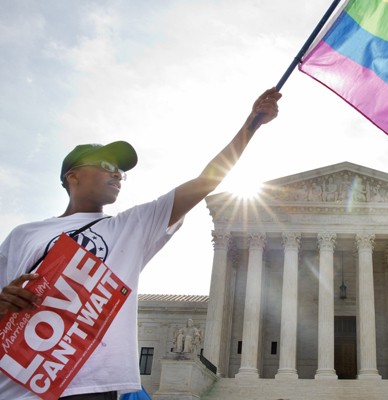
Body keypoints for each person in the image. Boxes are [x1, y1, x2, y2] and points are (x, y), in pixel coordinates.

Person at [0, 88, 281, 400]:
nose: (118, 174)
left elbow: (205, 182)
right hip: (16, 384)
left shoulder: (130, 228)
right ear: (73, 176)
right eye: (106, 165)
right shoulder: (24, 235)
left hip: (90, 385)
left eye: (121, 170)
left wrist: (251, 124)